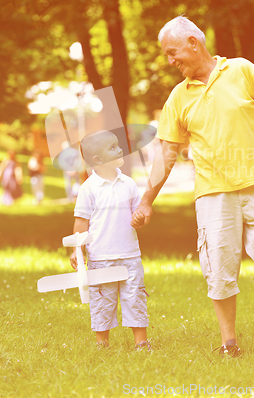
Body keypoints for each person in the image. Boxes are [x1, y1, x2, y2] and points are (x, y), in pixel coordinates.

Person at [131, 16, 254, 357]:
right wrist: (146, 200)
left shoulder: (243, 70)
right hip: (213, 194)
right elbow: (166, 154)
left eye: (173, 52)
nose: (171, 61)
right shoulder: (177, 98)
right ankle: (228, 342)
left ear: (193, 43)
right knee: (219, 268)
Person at [70, 130, 150, 350]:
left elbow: (138, 216)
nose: (120, 149)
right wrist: (78, 250)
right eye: (113, 147)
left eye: (118, 145)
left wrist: (139, 219)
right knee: (102, 300)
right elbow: (81, 222)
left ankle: (141, 342)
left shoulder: (129, 183)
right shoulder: (88, 189)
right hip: (101, 256)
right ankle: (102, 342)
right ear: (98, 160)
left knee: (135, 297)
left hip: (129, 254)